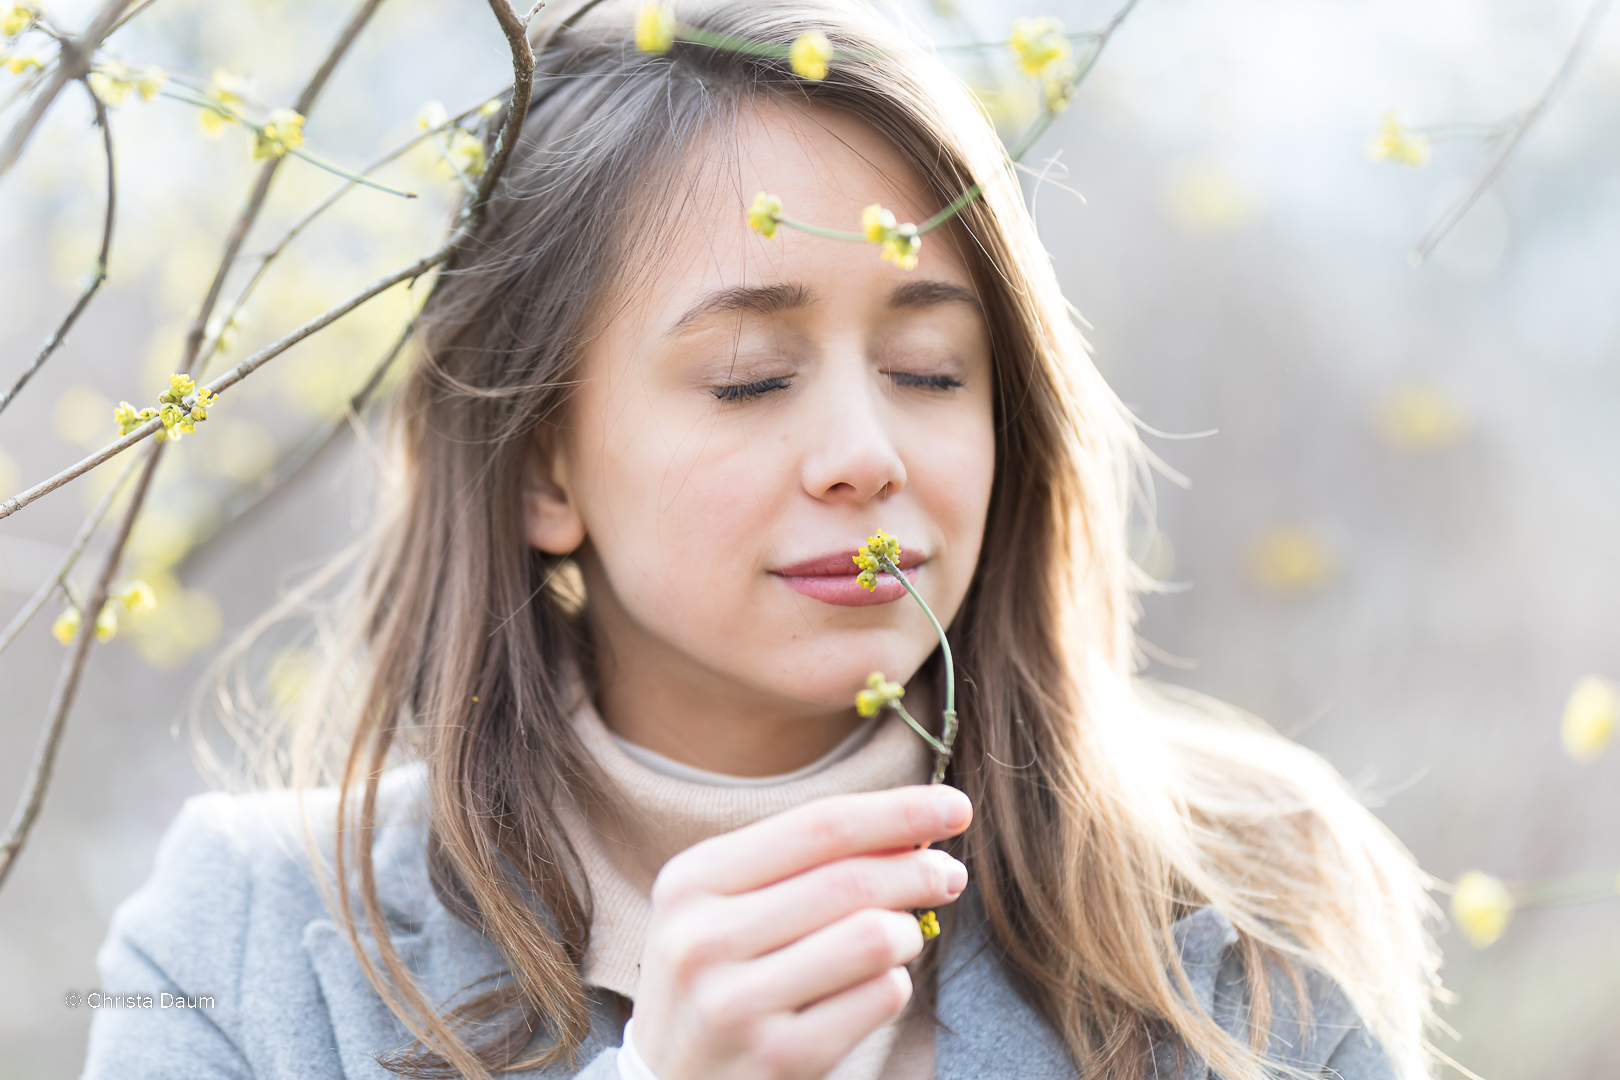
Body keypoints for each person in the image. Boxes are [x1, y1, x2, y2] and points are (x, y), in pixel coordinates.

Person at [81, 1, 1444, 1078]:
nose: (867, 452)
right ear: (543, 465)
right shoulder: (237, 936)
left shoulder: (1245, 899)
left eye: (928, 370)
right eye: (748, 374)